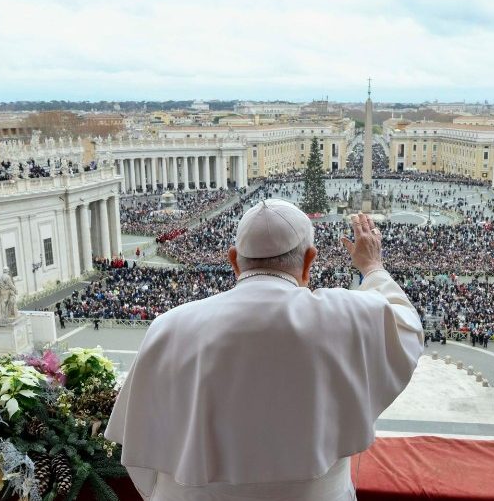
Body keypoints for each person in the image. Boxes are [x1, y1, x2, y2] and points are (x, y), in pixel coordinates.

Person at [106, 204, 424, 501]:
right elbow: (407, 328)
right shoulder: (344, 315)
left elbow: (140, 454)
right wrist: (373, 267)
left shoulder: (168, 327)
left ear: (234, 260)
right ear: (309, 261)